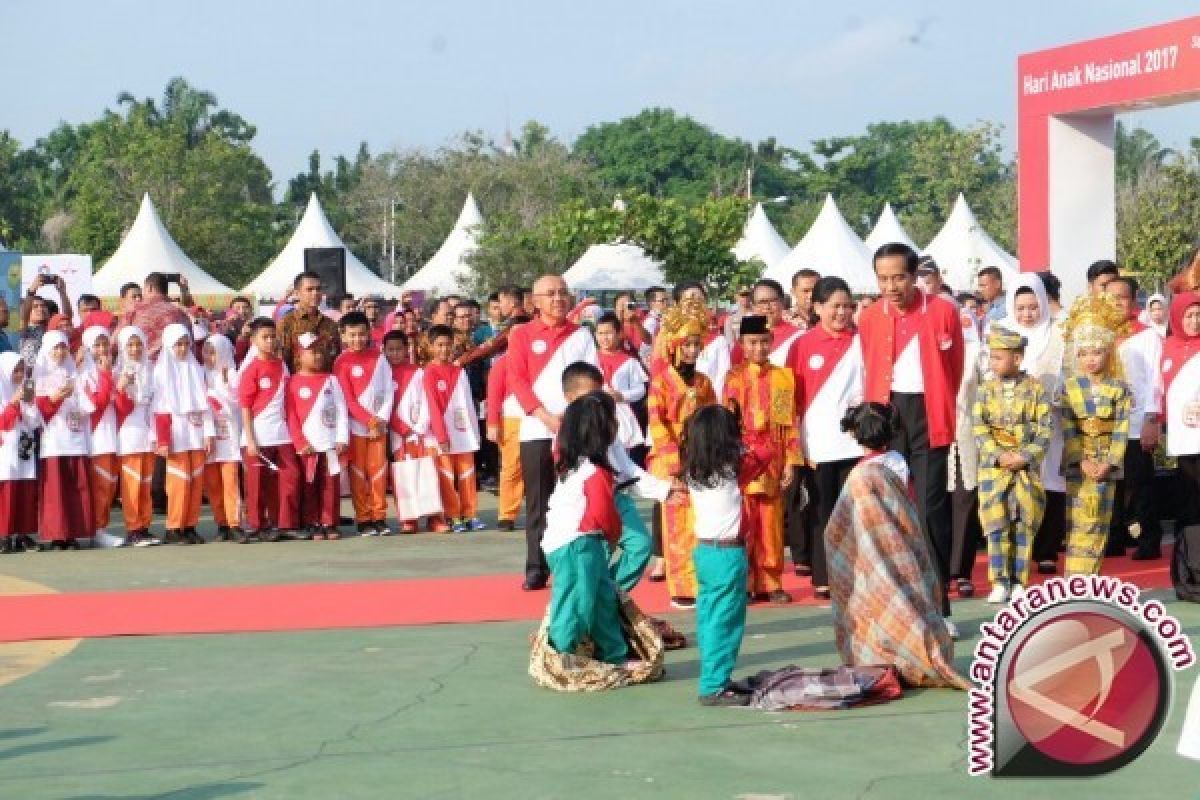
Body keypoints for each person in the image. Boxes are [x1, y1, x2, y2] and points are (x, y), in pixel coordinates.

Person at [859, 242, 964, 636]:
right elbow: (869, 366)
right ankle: (895, 606)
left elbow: (954, 369)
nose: (891, 286)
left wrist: (943, 411)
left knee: (931, 509)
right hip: (888, 418)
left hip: (930, 416)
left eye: (898, 277)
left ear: (914, 274)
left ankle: (940, 608)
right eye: (883, 279)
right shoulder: (869, 317)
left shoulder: (942, 312)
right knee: (888, 510)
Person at [824, 403, 968, 689]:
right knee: (911, 594)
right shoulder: (896, 461)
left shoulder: (863, 475)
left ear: (855, 434)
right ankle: (912, 656)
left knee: (878, 598)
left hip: (873, 548)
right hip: (904, 542)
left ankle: (889, 657)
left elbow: (846, 522)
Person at [507, 275, 598, 591]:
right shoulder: (521, 335)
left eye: (563, 293)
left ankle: (573, 565)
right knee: (538, 503)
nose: (558, 298)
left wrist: (573, 416)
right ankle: (536, 567)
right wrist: (544, 416)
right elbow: (516, 380)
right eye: (550, 294)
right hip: (536, 429)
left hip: (574, 431)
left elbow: (591, 379)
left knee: (576, 499)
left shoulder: (582, 336)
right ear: (535, 300)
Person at [682, 405, 773, 706]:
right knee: (726, 620)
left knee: (710, 617)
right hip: (727, 554)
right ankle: (714, 685)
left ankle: (714, 677)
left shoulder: (694, 469)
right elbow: (767, 451)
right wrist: (744, 434)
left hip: (705, 551)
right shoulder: (732, 469)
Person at [561, 362, 674, 598]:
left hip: (616, 497)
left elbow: (627, 469)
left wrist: (666, 490)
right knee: (593, 560)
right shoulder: (564, 434)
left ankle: (609, 597)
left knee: (641, 545)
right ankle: (594, 604)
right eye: (589, 396)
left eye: (599, 394)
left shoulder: (607, 429)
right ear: (570, 398)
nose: (597, 401)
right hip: (585, 505)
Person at [539, 390, 631, 667]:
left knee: (602, 599)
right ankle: (561, 658)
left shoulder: (572, 465)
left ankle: (614, 654)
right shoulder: (594, 471)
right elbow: (603, 514)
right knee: (576, 603)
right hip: (578, 545)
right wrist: (614, 537)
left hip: (572, 543)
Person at [786, 277, 864, 599]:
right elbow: (792, 399)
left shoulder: (861, 340)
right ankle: (824, 575)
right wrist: (796, 446)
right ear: (817, 307)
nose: (842, 313)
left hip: (855, 443)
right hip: (817, 444)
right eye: (835, 307)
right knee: (822, 511)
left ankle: (856, 573)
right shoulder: (802, 345)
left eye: (848, 306)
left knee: (854, 512)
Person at [722, 314, 801, 604]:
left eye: (764, 342)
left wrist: (791, 460)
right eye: (753, 342)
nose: (759, 348)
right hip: (743, 458)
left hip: (773, 458)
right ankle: (744, 582)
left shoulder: (782, 377)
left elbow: (788, 422)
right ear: (742, 343)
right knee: (744, 522)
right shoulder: (734, 377)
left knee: (771, 524)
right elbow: (729, 423)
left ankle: (770, 581)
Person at [972, 327, 1053, 604]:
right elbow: (979, 427)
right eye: (991, 358)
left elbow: (1045, 430)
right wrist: (997, 455)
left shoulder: (1036, 390)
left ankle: (1020, 581)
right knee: (996, 525)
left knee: (1023, 524)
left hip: (1025, 469)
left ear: (1017, 359)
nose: (992, 363)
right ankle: (999, 581)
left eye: (998, 358)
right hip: (993, 469)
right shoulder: (984, 390)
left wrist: (1025, 457)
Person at [646, 299, 717, 608]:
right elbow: (656, 422)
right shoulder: (661, 382)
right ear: (674, 345)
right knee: (676, 524)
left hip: (701, 458)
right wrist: (675, 459)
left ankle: (701, 580)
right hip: (671, 460)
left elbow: (714, 418)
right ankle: (681, 586)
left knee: (701, 523)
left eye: (696, 343)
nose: (692, 350)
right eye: (686, 344)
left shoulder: (704, 382)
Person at [1059, 294, 1132, 576]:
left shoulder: (1120, 389)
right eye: (1084, 353)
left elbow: (1121, 430)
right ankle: (1073, 580)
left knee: (1099, 521)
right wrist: (1080, 461)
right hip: (1079, 464)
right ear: (1076, 355)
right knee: (1077, 522)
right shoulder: (1069, 388)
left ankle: (1090, 580)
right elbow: (1068, 428)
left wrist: (1109, 463)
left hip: (1105, 464)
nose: (1090, 359)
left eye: (1097, 352)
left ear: (1108, 352)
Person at [1003, 275, 1068, 578]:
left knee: (1050, 482)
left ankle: (1046, 551)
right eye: (1021, 308)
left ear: (1043, 304)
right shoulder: (1001, 331)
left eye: (1032, 307)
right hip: (1011, 424)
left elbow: (1068, 372)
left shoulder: (1059, 334)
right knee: (1017, 485)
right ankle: (1018, 549)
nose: (1027, 314)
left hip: (1050, 422)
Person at [1105, 276, 1164, 561]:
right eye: (1111, 296)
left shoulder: (1147, 335)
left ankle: (1148, 539)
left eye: (1122, 297)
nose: (1116, 302)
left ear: (1133, 299)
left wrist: (1152, 419)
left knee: (1139, 484)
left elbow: (1156, 379)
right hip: (1106, 424)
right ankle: (1114, 538)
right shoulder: (1098, 334)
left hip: (1137, 421)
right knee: (1110, 484)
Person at [239, 317, 301, 542]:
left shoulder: (282, 365)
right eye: (264, 337)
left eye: (272, 336)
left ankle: (284, 523)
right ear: (254, 340)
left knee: (289, 478)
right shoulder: (250, 368)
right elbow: (245, 407)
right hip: (257, 434)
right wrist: (250, 439)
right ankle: (255, 525)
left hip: (282, 434)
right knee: (256, 483)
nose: (269, 341)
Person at [334, 311, 394, 535]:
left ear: (368, 333)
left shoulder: (379, 358)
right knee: (358, 474)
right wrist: (368, 420)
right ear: (343, 336)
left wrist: (382, 418)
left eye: (361, 334)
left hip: (379, 427)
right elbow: (346, 398)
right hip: (356, 428)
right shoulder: (341, 362)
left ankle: (379, 515)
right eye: (352, 335)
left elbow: (388, 390)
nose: (357, 339)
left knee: (378, 472)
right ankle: (363, 518)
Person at [153, 324, 214, 545]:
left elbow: (205, 404)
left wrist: (209, 433)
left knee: (196, 481)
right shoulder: (161, 371)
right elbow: (159, 409)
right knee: (178, 483)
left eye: (185, 343)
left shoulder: (195, 368)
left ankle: (190, 525)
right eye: (177, 344)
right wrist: (162, 439)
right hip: (176, 433)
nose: (182, 348)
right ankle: (173, 527)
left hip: (196, 431)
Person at [33, 330, 93, 549]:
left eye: (63, 347)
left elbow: (85, 403)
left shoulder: (73, 373)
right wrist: (57, 398)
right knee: (55, 491)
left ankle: (74, 533)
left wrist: (79, 411)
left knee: (75, 487)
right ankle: (58, 535)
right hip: (53, 441)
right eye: (55, 348)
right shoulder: (38, 376)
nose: (59, 352)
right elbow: (34, 410)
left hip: (74, 438)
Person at [287, 332, 349, 540]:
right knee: (310, 486)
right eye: (312, 352)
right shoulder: (292, 382)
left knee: (331, 485)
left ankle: (330, 522)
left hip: (330, 443)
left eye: (320, 352)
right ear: (299, 356)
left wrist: (342, 437)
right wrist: (300, 442)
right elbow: (291, 416)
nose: (318, 356)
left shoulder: (332, 380)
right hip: (309, 446)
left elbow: (341, 409)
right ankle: (313, 522)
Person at [422, 324, 483, 532]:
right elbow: (432, 406)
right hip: (442, 436)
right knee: (447, 476)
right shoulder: (428, 373)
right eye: (439, 345)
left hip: (463, 434)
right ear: (430, 346)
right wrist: (441, 435)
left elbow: (467, 404)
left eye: (448, 345)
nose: (444, 350)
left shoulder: (459, 371)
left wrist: (474, 432)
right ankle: (453, 515)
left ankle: (470, 513)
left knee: (467, 474)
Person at [1159, 292, 1200, 601]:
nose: (1195, 320)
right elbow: (1158, 392)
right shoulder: (1166, 349)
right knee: (1189, 506)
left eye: (1199, 314)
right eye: (1189, 315)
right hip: (1185, 441)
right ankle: (1189, 577)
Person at [947, 299, 983, 597]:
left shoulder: (975, 351)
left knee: (965, 501)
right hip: (930, 436)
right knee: (932, 504)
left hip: (966, 434)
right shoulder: (920, 349)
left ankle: (960, 570)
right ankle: (936, 568)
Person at [114, 327, 158, 547]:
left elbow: (156, 402)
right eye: (130, 345)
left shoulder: (151, 369)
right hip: (129, 434)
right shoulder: (117, 372)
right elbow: (120, 409)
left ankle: (145, 526)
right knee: (131, 484)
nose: (134, 349)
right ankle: (133, 528)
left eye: (138, 344)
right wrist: (122, 388)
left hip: (148, 434)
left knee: (145, 484)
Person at [384, 330, 429, 534]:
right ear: (383, 350)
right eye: (390, 350)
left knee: (425, 473)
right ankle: (408, 518)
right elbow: (382, 405)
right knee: (402, 476)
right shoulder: (381, 373)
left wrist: (419, 427)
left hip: (419, 432)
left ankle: (434, 515)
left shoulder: (418, 372)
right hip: (396, 433)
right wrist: (400, 427)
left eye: (399, 349)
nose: (395, 354)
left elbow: (427, 401)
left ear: (406, 349)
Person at [79, 326, 119, 545]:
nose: (102, 349)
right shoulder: (84, 376)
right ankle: (97, 530)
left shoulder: (114, 369)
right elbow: (96, 404)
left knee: (111, 486)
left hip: (113, 437)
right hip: (96, 439)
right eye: (97, 345)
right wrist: (105, 375)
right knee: (100, 488)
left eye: (105, 344)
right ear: (88, 348)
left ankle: (101, 528)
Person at [202, 334, 243, 542]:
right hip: (209, 437)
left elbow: (237, 403)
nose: (209, 357)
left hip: (228, 437)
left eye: (213, 352)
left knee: (230, 481)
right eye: (206, 352)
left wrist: (226, 384)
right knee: (213, 485)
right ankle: (222, 523)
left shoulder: (233, 374)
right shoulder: (199, 374)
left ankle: (235, 523)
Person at [0, 353, 41, 553]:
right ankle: (4, 535)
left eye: (21, 370)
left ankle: (23, 535)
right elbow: (4, 423)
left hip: (24, 446)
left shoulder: (24, 389)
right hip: (6, 449)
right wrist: (14, 402)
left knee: (25, 491)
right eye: (15, 371)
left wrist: (31, 403)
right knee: (7, 493)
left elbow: (34, 422)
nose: (19, 375)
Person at [594, 313, 648, 453]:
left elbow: (640, 390)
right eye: (600, 333)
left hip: (620, 417)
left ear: (619, 334)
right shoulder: (590, 358)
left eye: (608, 333)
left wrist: (621, 396)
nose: (604, 338)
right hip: (594, 415)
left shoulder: (630, 361)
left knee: (621, 457)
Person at [671, 281, 732, 397]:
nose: (695, 308)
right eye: (689, 302)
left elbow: (723, 378)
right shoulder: (666, 341)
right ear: (676, 304)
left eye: (700, 302)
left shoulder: (718, 341)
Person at [485, 351, 523, 532]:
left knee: (540, 467)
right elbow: (493, 393)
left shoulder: (541, 356)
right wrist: (492, 422)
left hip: (541, 418)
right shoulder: (502, 362)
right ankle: (507, 515)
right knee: (511, 467)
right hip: (512, 418)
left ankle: (542, 510)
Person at [277, 272, 340, 372]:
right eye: (309, 289)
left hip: (327, 383)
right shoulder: (286, 323)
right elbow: (281, 360)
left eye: (318, 289)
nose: (315, 293)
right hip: (299, 383)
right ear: (297, 293)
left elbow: (337, 356)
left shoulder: (331, 324)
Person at [125, 273, 190, 360]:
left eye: (143, 289)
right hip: (171, 369)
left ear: (150, 288)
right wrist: (184, 289)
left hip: (141, 367)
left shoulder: (133, 310)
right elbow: (189, 346)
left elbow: (116, 342)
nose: (142, 294)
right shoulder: (180, 312)